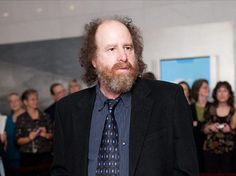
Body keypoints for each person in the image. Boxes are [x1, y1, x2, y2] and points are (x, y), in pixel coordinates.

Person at [51, 16, 198, 176]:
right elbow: (61, 170)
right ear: (94, 60)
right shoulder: (67, 109)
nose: (123, 57)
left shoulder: (169, 98)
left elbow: (186, 170)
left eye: (128, 47)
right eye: (112, 49)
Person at [15, 89, 53, 175]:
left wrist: (46, 134)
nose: (36, 101)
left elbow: (52, 135)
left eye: (36, 99)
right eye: (32, 99)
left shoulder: (45, 116)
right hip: (27, 157)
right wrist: (29, 138)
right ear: (25, 102)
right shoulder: (21, 118)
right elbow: (17, 140)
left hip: (45, 156)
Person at [203, 81, 236, 173]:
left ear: (229, 94)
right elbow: (203, 130)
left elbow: (234, 127)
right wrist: (210, 127)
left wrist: (230, 129)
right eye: (219, 91)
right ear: (215, 93)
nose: (222, 94)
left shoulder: (234, 108)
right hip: (210, 150)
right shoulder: (209, 107)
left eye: (225, 91)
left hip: (229, 151)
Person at [190, 79, 210, 172]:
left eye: (208, 87)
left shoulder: (213, 106)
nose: (208, 89)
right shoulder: (190, 107)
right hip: (195, 146)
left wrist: (197, 124)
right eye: (205, 87)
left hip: (210, 146)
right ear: (197, 90)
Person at [4, 93, 25, 175]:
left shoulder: (29, 116)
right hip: (11, 158)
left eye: (16, 100)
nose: (14, 103)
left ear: (21, 102)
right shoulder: (6, 120)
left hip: (26, 158)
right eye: (11, 101)